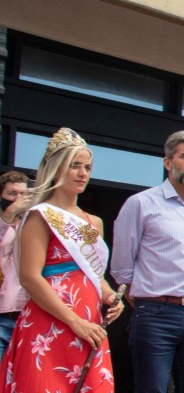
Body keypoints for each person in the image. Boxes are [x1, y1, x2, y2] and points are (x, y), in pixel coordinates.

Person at [0, 128, 124, 391]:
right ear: (56, 169)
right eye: (74, 166)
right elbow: (29, 277)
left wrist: (112, 297)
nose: (83, 173)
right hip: (51, 321)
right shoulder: (39, 215)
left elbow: (94, 275)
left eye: (87, 167)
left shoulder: (95, 222)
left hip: (89, 324)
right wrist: (74, 321)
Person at [111, 129, 184, 393]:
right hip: (155, 315)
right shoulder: (140, 204)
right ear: (168, 162)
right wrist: (149, 302)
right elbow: (122, 268)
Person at [0, 171, 29, 357]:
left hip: (27, 316)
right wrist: (9, 214)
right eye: (12, 194)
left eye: (23, 194)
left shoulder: (32, 225)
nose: (18, 199)